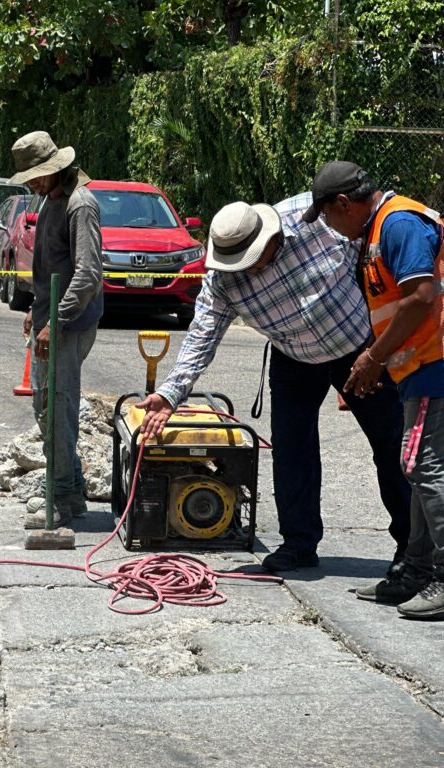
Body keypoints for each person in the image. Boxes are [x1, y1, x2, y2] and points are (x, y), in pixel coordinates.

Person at [136, 195, 412, 574]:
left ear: (270, 238)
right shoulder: (223, 281)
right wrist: (171, 394)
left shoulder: (314, 218)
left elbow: (368, 240)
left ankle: (414, 549)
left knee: (392, 443)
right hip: (293, 356)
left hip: (360, 350)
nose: (246, 269)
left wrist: (385, 344)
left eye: (250, 259)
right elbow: (202, 336)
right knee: (292, 449)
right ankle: (298, 544)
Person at [306, 161, 444, 618]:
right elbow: (391, 307)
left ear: (344, 203)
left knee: (426, 469)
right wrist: (371, 360)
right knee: (418, 470)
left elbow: (421, 296)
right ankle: (417, 572)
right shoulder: (378, 229)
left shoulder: (398, 223)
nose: (330, 226)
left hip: (435, 364)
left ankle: (439, 576)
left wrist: (374, 358)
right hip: (419, 368)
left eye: (328, 215)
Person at [9, 131, 103, 528]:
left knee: (58, 408)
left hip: (70, 322)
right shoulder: (50, 199)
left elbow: (87, 274)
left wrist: (56, 321)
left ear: (54, 167)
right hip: (51, 318)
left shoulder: (80, 204)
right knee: (45, 406)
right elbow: (50, 266)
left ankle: (62, 496)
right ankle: (71, 486)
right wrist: (36, 311)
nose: (32, 183)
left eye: (36, 176)